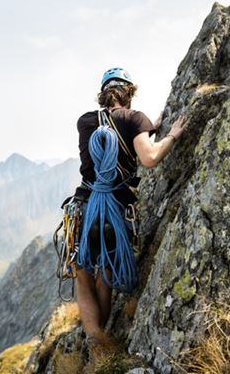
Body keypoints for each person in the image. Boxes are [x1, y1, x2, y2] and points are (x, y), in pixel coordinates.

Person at [73, 67, 186, 347]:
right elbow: (148, 158)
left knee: (83, 275)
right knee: (107, 274)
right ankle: (102, 337)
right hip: (116, 209)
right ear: (129, 93)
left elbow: (111, 130)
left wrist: (147, 128)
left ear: (103, 95)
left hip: (85, 206)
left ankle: (94, 337)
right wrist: (170, 135)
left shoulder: (85, 122)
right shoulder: (135, 119)